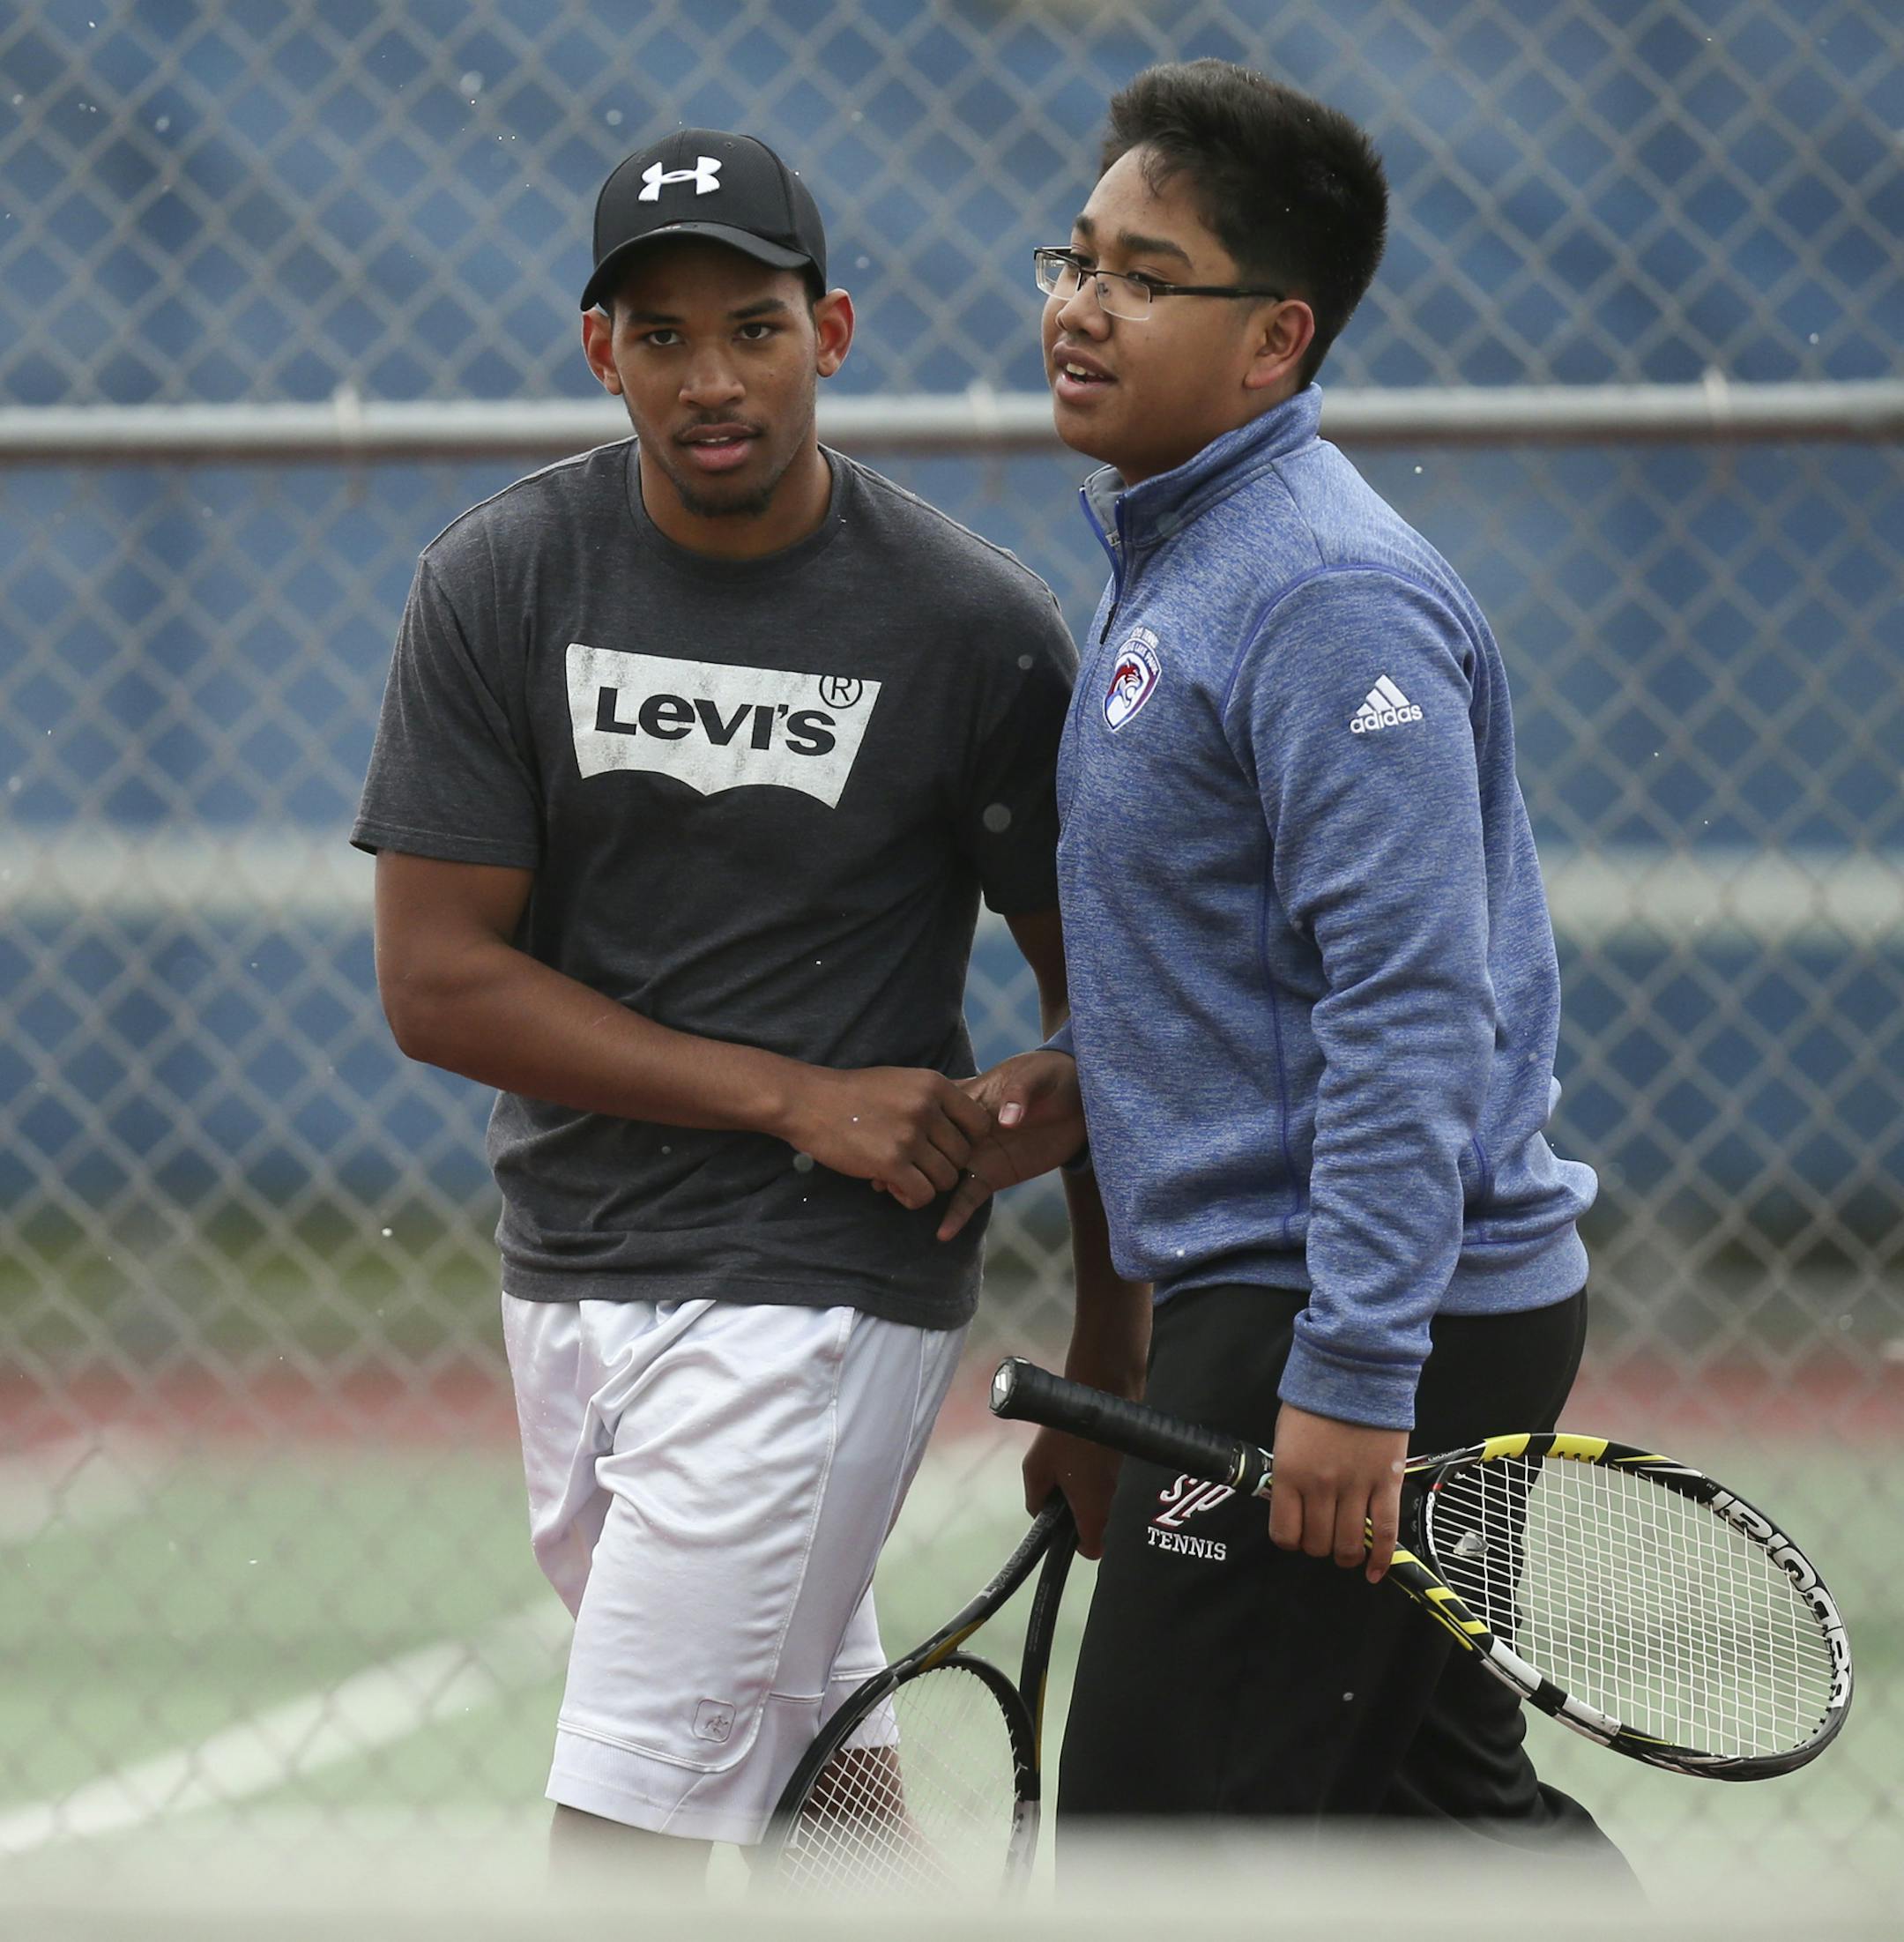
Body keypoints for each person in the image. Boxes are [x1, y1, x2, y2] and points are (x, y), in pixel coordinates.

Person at [351, 125, 1120, 1878]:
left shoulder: (973, 631)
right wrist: (793, 1092)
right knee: (816, 1816)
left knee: (613, 1846)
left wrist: (1107, 1349)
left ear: (831, 333)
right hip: (571, 1265)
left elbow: (1112, 1028)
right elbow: (437, 980)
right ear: (597, 350)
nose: (712, 379)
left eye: (754, 329)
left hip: (822, 1303)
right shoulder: (501, 581)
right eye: (663, 334)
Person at [948, 60, 1626, 1858]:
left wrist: (1356, 1372)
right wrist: (1107, 1079)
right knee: (1437, 1821)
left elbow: (1418, 1007)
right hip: (1326, 1298)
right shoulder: (1187, 552)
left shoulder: (1321, 592)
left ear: (1275, 341)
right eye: (1074, 259)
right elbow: (1286, 976)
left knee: (1161, 1856)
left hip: (1358, 1311)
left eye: (1145, 275)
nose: (1082, 307)